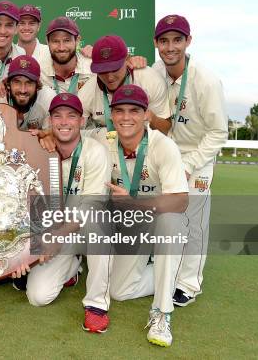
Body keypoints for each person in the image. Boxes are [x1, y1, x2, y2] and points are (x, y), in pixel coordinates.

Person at [152, 14, 228, 306]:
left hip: (197, 157)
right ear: (157, 43)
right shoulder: (156, 72)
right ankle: (166, 271)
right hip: (165, 155)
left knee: (193, 222)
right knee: (166, 218)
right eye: (164, 41)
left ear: (188, 41)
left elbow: (218, 132)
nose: (170, 47)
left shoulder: (205, 80)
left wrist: (188, 163)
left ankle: (189, 283)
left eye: (177, 40)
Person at [105, 84, 189, 347]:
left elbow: (180, 201)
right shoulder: (104, 142)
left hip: (162, 219)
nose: (126, 117)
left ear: (146, 115)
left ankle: (162, 313)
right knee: (119, 291)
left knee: (170, 221)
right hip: (132, 226)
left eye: (134, 110)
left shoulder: (163, 146)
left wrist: (134, 204)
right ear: (111, 114)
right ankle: (170, 270)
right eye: (119, 111)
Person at [20, 94, 112, 330]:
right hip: (52, 230)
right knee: (37, 297)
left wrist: (55, 237)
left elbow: (91, 207)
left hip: (82, 229)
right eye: (58, 116)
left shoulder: (96, 152)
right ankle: (73, 267)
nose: (64, 122)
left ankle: (96, 304)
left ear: (82, 121)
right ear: (49, 121)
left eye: (71, 116)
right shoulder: (38, 148)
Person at [79, 35, 171, 138]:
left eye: (115, 69)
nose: (110, 77)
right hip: (108, 146)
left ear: (127, 60)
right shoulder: (87, 91)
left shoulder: (150, 80)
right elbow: (74, 130)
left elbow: (166, 130)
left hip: (146, 146)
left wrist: (152, 118)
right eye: (103, 70)